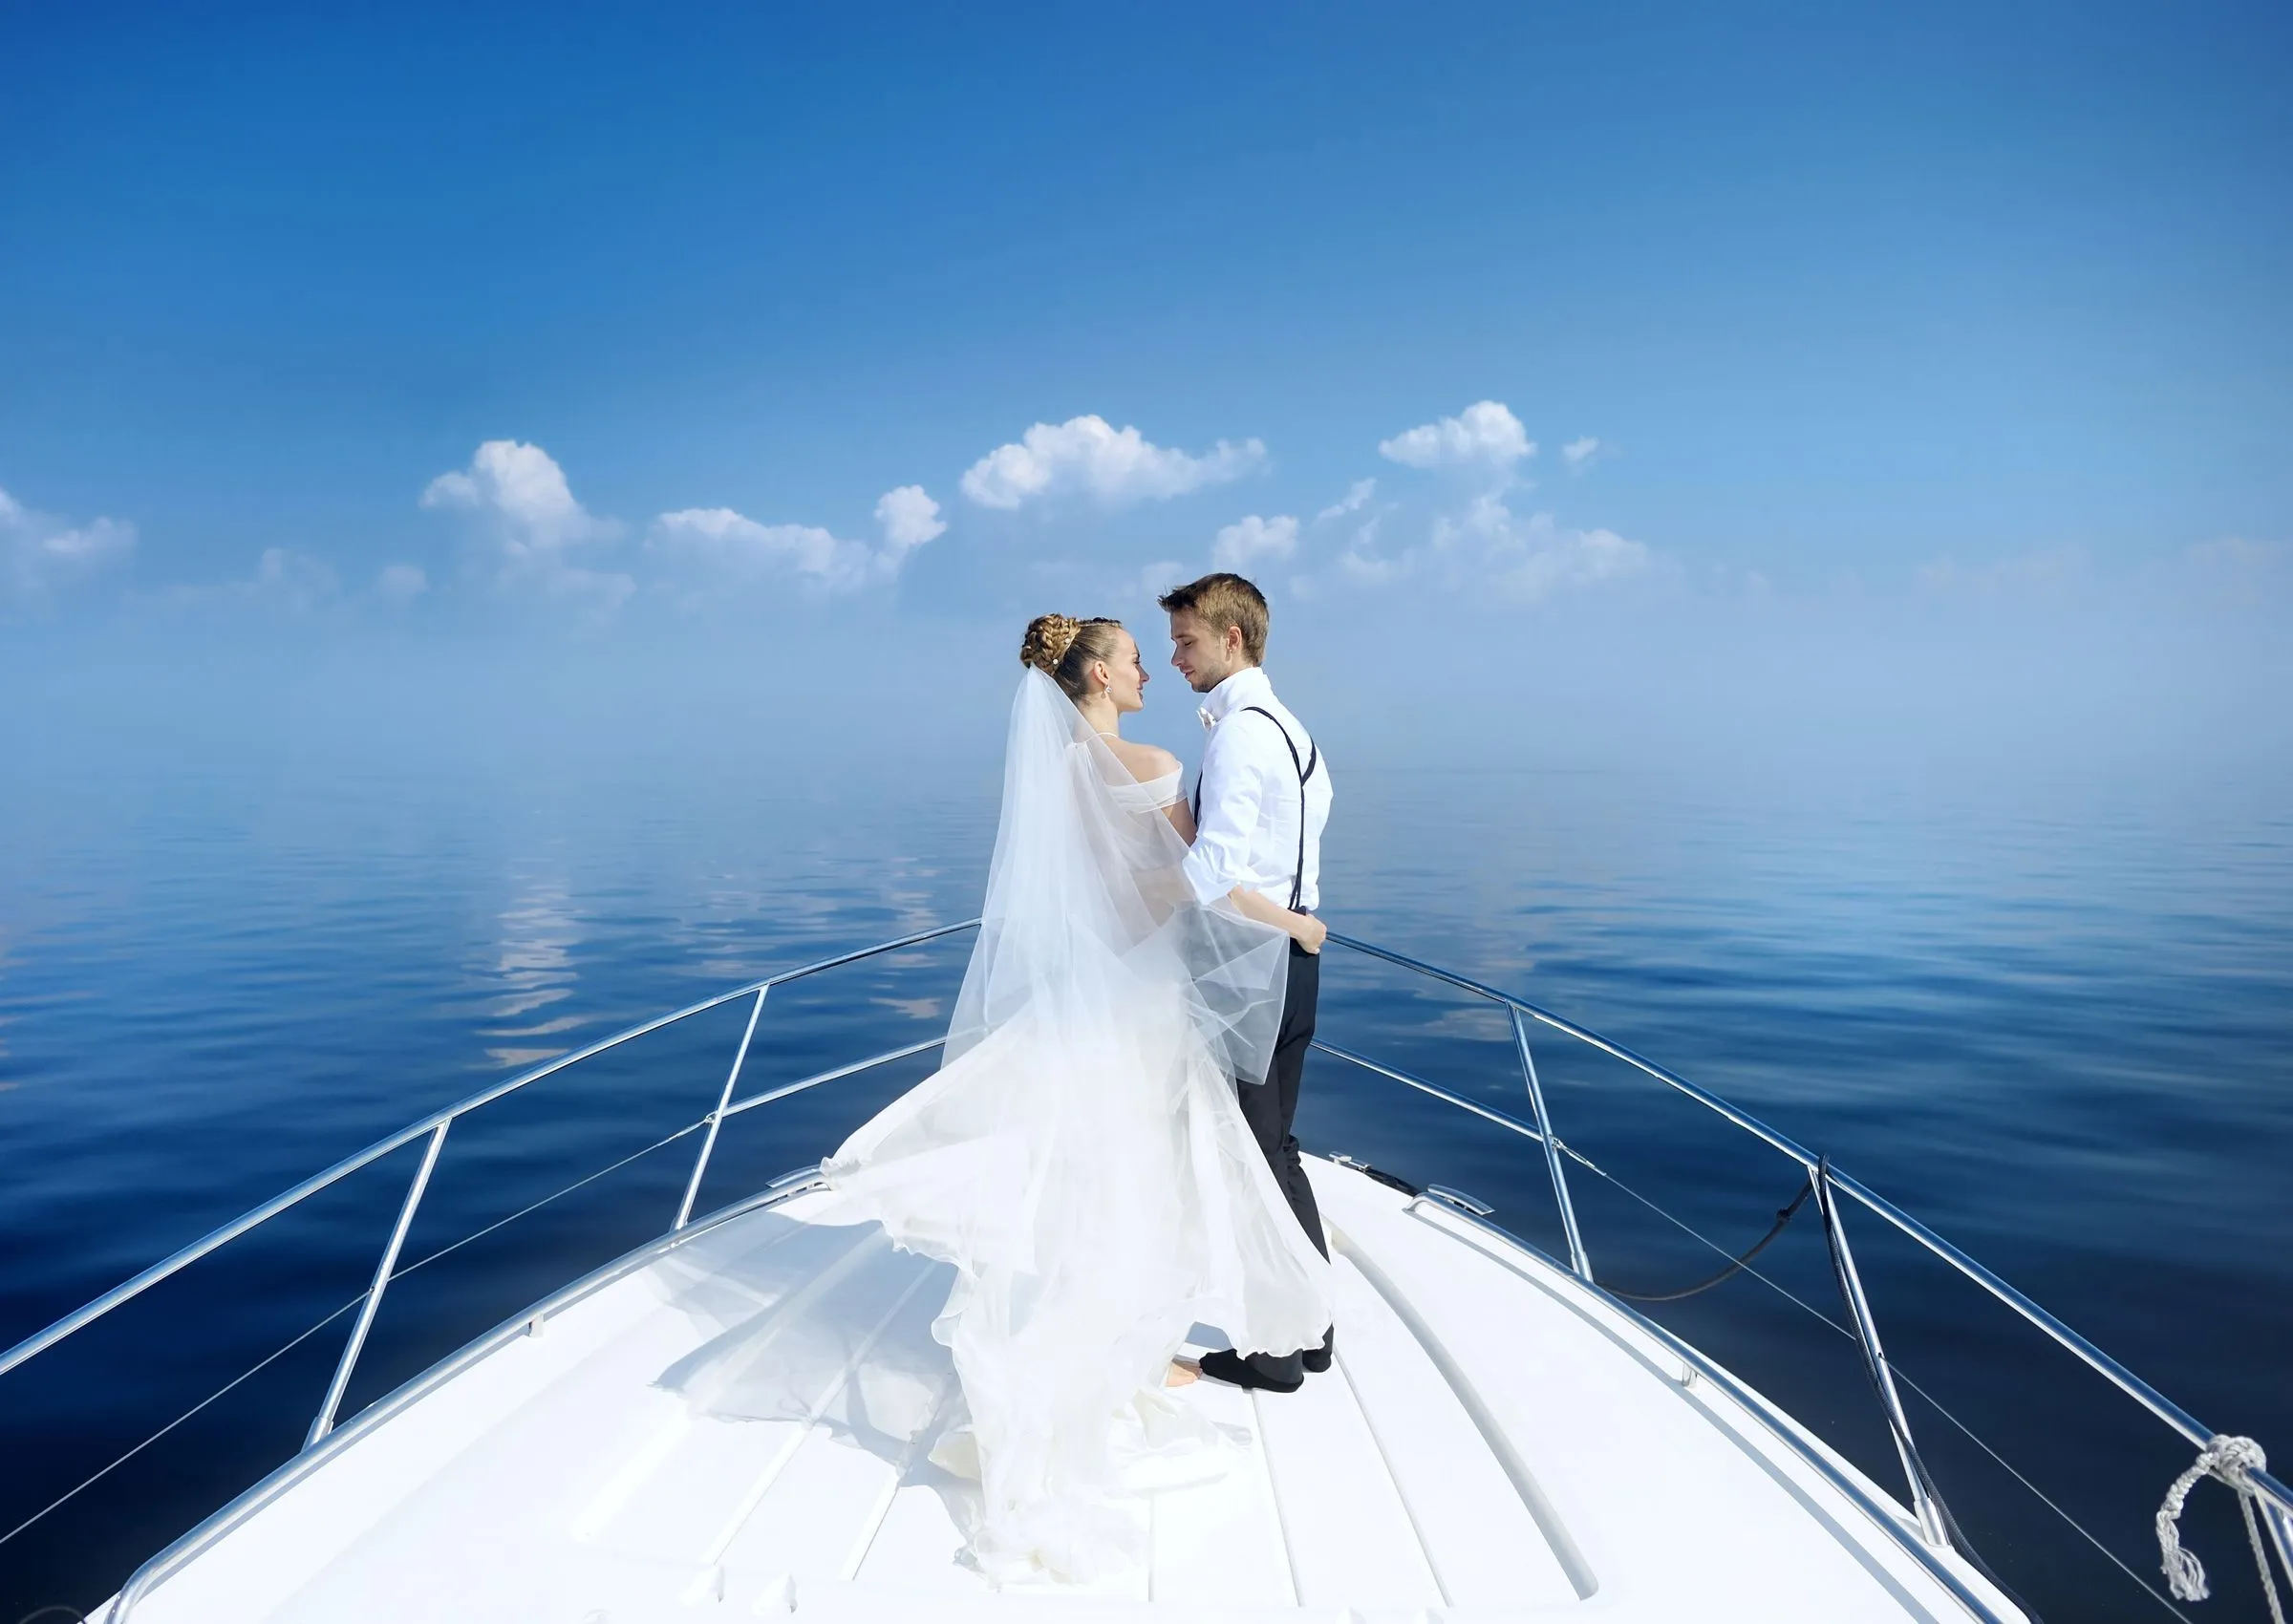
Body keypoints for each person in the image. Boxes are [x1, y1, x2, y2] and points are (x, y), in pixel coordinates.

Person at [821, 613, 1331, 1589]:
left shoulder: (1060, 773)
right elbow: (1198, 882)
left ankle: (1120, 1355)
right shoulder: (1150, 760)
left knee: (1092, 1178)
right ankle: (1121, 1362)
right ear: (1098, 673)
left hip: (1091, 999)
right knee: (1138, 1178)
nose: (1153, 667)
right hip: (1141, 1002)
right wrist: (1298, 920)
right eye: (1140, 655)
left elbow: (1112, 889)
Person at [1160, 572, 1335, 1394]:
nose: (1174, 656)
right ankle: (1315, 1327)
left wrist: (1141, 900)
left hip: (1249, 966)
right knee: (1278, 1148)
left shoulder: (1239, 734)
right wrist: (1299, 924)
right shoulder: (1293, 730)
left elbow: (1214, 869)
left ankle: (1276, 1353)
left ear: (1232, 639)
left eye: (1186, 640)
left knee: (1258, 1159)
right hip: (1294, 961)